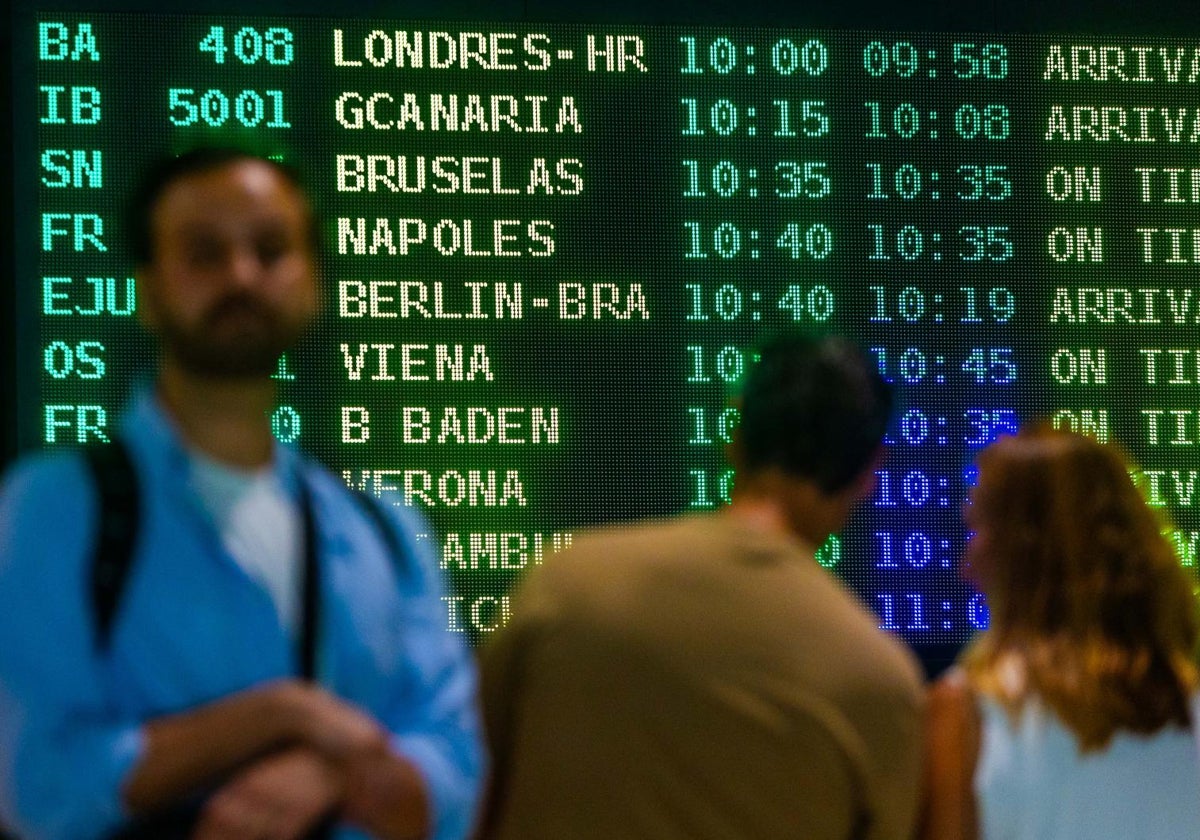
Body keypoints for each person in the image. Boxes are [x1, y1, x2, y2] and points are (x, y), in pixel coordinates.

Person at [0, 149, 484, 840]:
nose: (241, 276)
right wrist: (278, 715)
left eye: (271, 249)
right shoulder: (53, 511)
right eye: (204, 253)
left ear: (313, 281)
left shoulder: (386, 529)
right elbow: (36, 785)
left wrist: (330, 773)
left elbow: (455, 777)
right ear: (144, 287)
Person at [478, 334, 925, 840]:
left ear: (734, 433)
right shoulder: (878, 676)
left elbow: (469, 789)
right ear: (870, 472)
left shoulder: (566, 583)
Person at [921, 426, 1200, 840]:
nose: (966, 564)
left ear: (1022, 553)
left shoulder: (964, 718)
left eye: (977, 532)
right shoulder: (1188, 705)